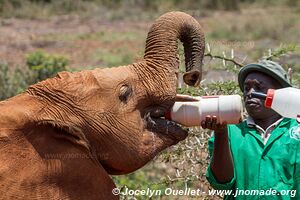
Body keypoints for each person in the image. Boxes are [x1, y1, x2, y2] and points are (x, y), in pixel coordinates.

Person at [203, 60, 300, 199]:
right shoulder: (230, 132)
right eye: (246, 88)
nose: (250, 93)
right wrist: (220, 134)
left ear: (281, 94)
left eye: (259, 87)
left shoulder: (296, 130)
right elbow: (221, 182)